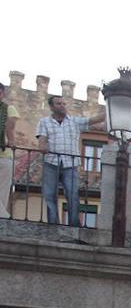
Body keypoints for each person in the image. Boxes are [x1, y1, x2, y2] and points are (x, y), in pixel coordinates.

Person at [35, 95, 103, 225]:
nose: (62, 106)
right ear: (51, 107)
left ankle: (74, 224)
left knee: (73, 195)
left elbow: (93, 120)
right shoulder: (44, 122)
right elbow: (42, 139)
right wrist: (42, 146)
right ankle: (53, 224)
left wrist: (112, 109)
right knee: (50, 195)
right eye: (58, 104)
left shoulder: (74, 121)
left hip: (70, 164)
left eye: (63, 103)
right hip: (51, 162)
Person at [0, 81, 15, 220]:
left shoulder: (9, 109)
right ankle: (2, 215)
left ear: (3, 94)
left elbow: (10, 129)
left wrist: (11, 142)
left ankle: (1, 215)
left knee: (4, 188)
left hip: (4, 154)